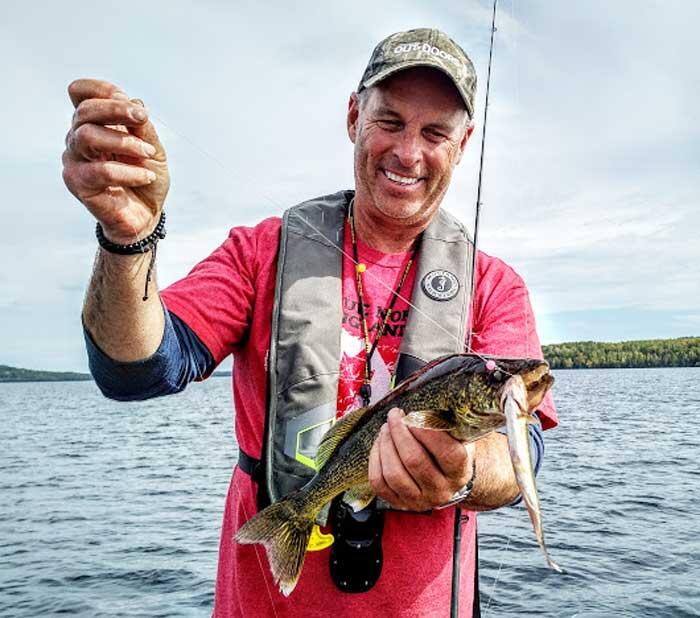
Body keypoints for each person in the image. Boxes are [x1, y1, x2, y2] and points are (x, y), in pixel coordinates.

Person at [63, 28, 557, 618]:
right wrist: (128, 239)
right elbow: (135, 372)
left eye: (435, 133)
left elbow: (520, 446)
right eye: (390, 121)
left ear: (462, 144)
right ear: (354, 117)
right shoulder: (261, 252)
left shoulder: (494, 285)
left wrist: (467, 469)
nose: (408, 153)